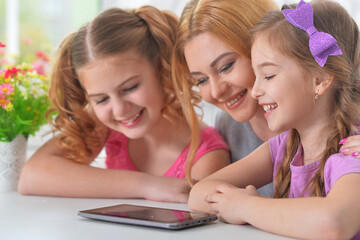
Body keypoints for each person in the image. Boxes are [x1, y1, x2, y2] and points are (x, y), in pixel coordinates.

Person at [18, 6, 230, 203]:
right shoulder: (106, 127)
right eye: (101, 99)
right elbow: (32, 176)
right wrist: (147, 186)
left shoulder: (206, 156)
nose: (119, 109)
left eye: (130, 88)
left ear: (162, 70)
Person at [188, 0, 360, 239]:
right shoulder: (284, 145)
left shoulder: (351, 152)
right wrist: (238, 204)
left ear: (320, 80)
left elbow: (333, 224)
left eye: (268, 75)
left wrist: (246, 207)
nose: (256, 90)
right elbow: (198, 194)